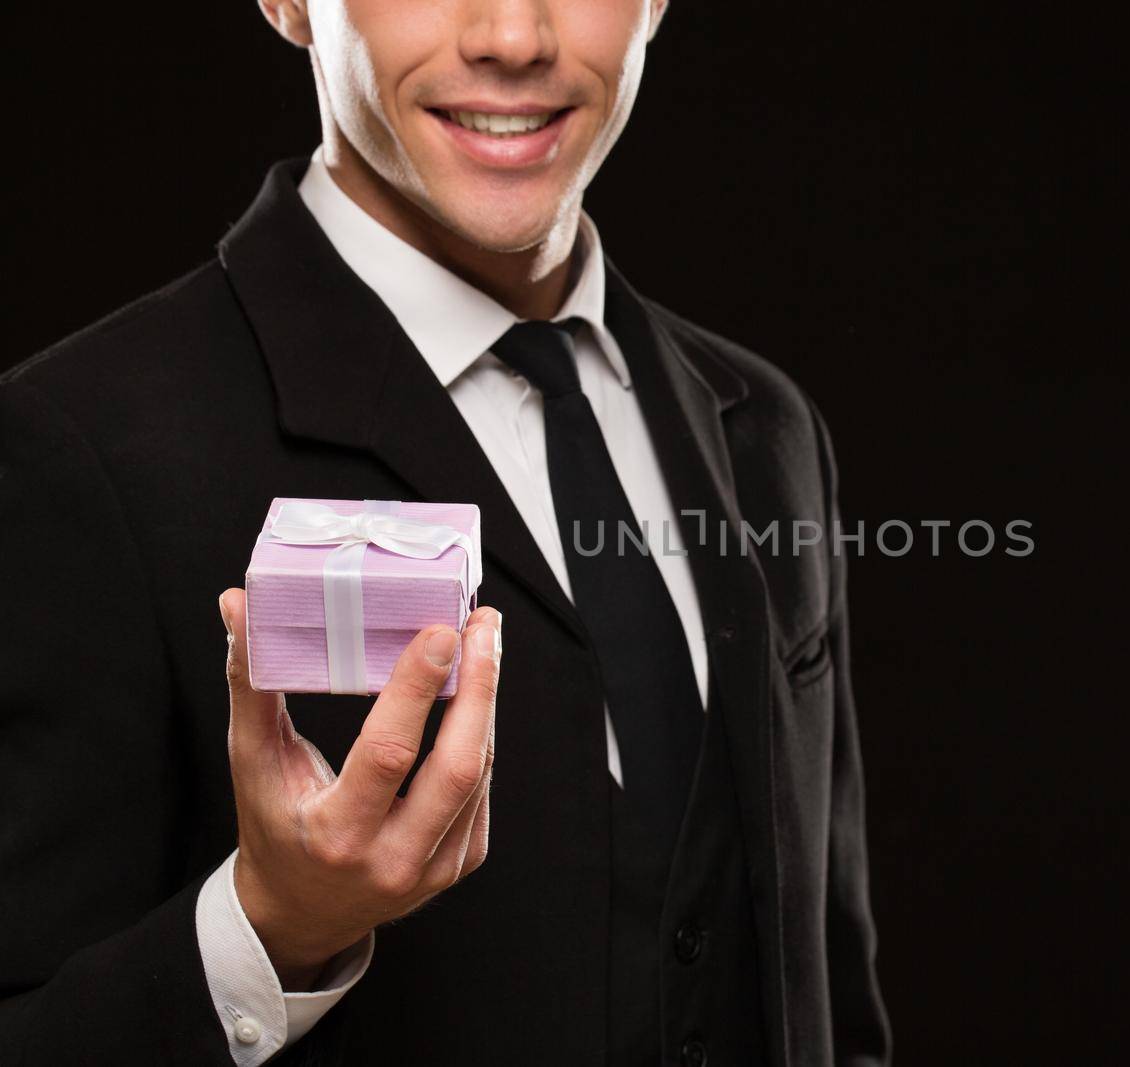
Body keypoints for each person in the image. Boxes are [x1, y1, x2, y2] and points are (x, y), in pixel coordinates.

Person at [0, 0, 890, 1063]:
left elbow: (821, 991)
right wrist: (271, 930)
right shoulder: (76, 446)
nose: (513, 37)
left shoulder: (766, 424)